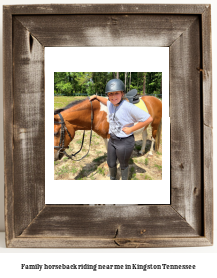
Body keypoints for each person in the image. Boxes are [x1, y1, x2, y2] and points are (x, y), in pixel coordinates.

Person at [89, 79, 153, 180]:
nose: (113, 96)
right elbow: (105, 101)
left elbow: (149, 118)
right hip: (112, 140)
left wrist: (131, 128)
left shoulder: (128, 107)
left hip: (124, 142)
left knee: (123, 165)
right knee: (110, 163)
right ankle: (113, 178)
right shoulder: (110, 104)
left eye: (116, 93)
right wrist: (96, 97)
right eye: (110, 94)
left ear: (122, 93)